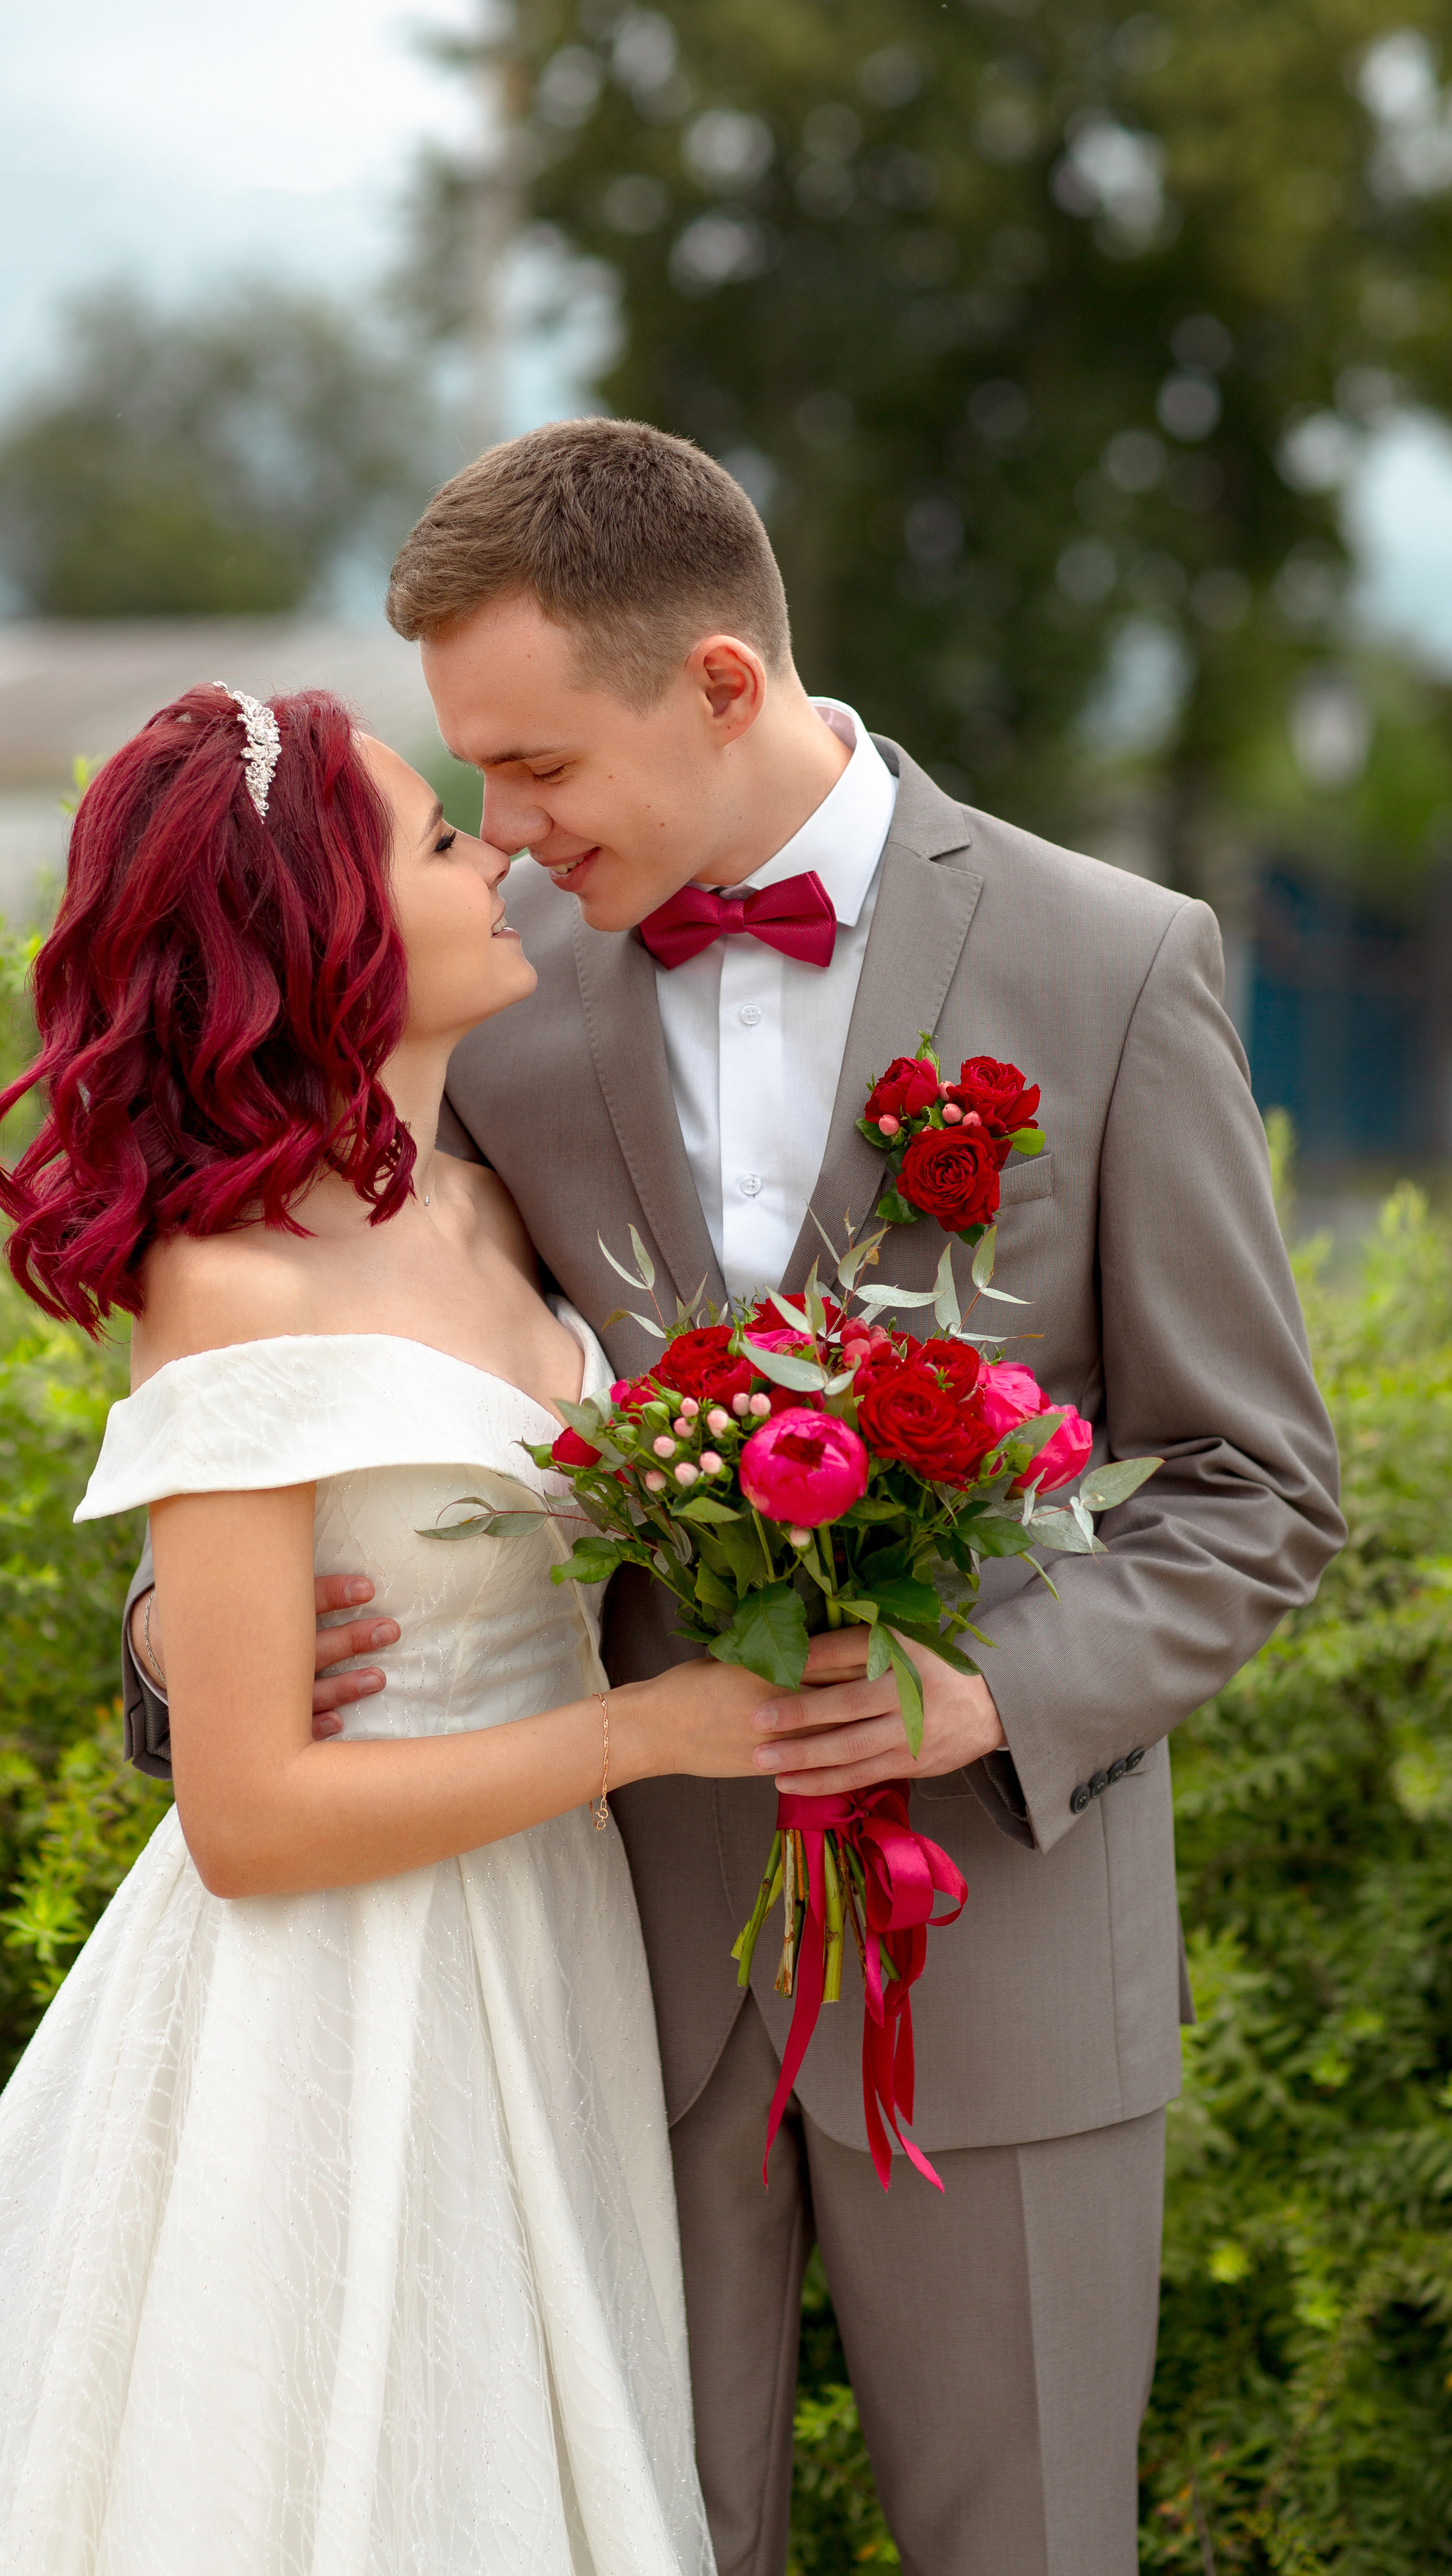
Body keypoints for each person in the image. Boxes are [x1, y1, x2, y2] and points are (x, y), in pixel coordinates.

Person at [125, 423, 1345, 2576]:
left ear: (713, 682)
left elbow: (1259, 1487)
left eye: (538, 767)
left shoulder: (1113, 961)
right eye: (469, 783)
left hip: (1008, 1965)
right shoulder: (487, 1011)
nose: (501, 836)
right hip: (603, 1991)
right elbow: (320, 1364)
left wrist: (986, 1691)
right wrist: (178, 1645)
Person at [0, 680, 818, 2576]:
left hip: (547, 1948)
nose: (496, 846)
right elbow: (245, 1824)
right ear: (321, 929)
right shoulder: (229, 1282)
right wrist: (644, 1735)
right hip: (346, 1983)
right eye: (438, 838)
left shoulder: (507, 1214)